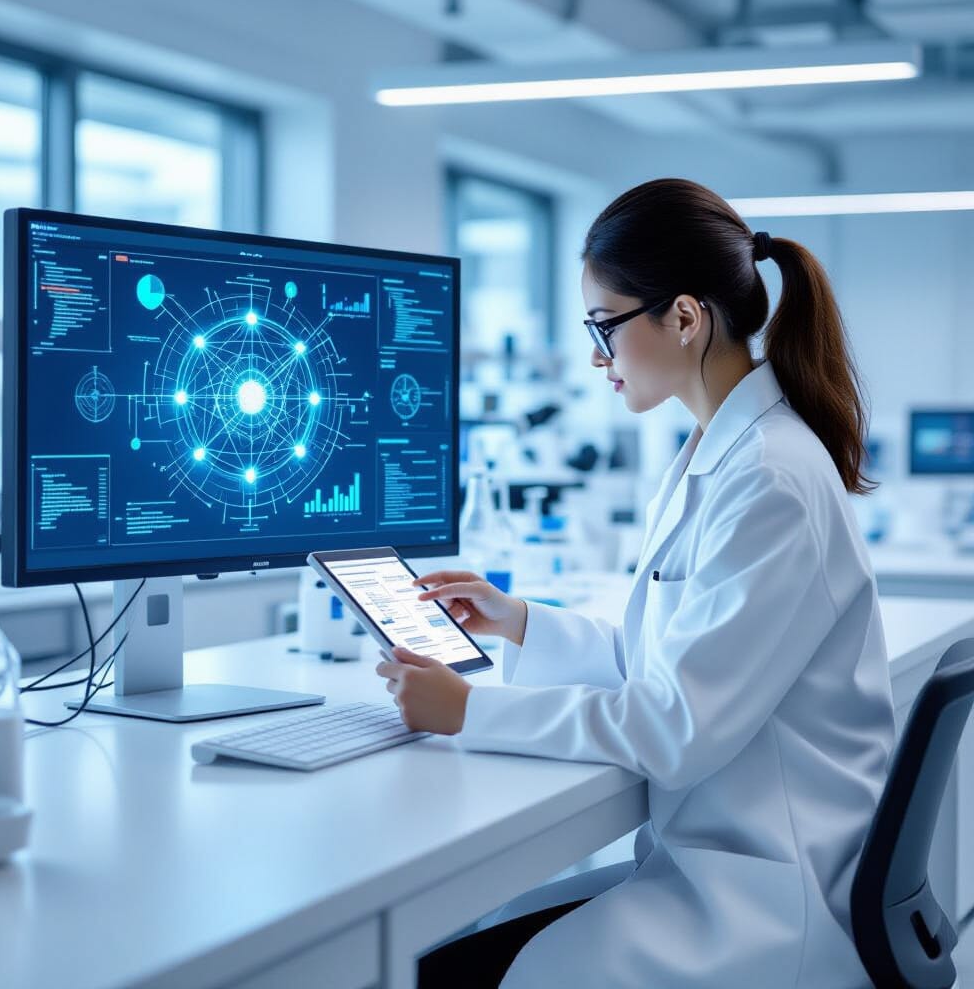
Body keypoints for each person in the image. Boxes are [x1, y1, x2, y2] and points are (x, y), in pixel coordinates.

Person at [376, 177, 895, 988]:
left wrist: (468, 709)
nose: (595, 354)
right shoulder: (717, 456)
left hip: (766, 898)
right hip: (712, 862)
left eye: (604, 325)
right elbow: (669, 665)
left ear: (685, 318)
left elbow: (676, 729)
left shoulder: (769, 478)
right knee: (456, 945)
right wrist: (520, 622)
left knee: (446, 968)